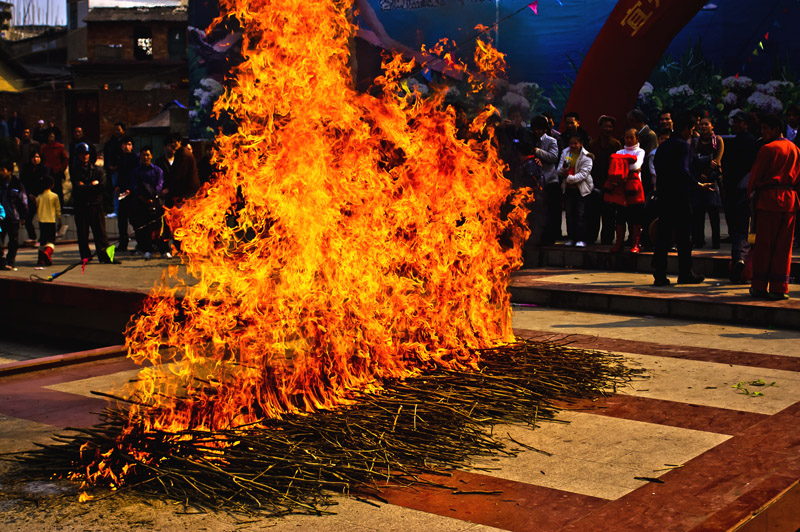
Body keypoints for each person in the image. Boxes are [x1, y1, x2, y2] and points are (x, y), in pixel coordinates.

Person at [652, 113, 713, 286]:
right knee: (684, 237)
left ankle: (659, 273)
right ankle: (685, 273)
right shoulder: (682, 146)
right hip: (679, 196)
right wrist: (698, 185)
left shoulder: (663, 146)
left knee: (663, 236)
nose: (692, 132)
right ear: (686, 129)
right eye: (692, 129)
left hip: (664, 195)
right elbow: (683, 171)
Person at [747, 114, 800, 300]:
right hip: (790, 201)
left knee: (764, 246)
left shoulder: (767, 149)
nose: (763, 132)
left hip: (769, 200)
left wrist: (750, 195)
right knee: (784, 248)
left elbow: (754, 178)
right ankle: (780, 287)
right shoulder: (795, 149)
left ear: (776, 129)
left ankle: (759, 286)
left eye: (765, 129)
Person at [724, 111, 758, 283]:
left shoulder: (749, 142)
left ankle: (740, 260)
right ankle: (741, 261)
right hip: (736, 190)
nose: (735, 125)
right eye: (734, 122)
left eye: (739, 122)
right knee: (741, 229)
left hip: (742, 190)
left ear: (746, 124)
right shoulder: (742, 141)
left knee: (741, 230)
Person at [71, 143, 119, 264]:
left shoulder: (97, 169)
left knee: (101, 234)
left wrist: (86, 186)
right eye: (82, 154)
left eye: (86, 154)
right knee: (82, 234)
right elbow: (78, 188)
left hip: (96, 205)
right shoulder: (75, 170)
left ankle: (107, 256)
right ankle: (85, 257)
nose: (85, 157)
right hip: (81, 206)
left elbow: (102, 186)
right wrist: (92, 185)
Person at [604, 128, 646, 253]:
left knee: (636, 217)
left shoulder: (640, 151)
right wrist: (628, 165)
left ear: (637, 139)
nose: (628, 140)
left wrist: (621, 163)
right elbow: (614, 167)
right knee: (620, 217)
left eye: (631, 137)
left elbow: (636, 165)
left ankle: (635, 244)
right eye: (626, 137)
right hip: (620, 188)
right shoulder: (619, 150)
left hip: (634, 187)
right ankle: (619, 243)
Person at [586, 115, 622, 244]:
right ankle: (591, 238)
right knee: (593, 214)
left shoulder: (616, 144)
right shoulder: (592, 144)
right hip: (595, 183)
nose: (608, 129)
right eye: (605, 126)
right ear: (600, 127)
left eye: (610, 126)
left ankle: (607, 240)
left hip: (611, 185)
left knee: (609, 215)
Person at [690, 117, 724, 248]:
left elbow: (717, 161)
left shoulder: (717, 140)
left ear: (712, 126)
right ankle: (698, 240)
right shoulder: (696, 141)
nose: (703, 127)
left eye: (706, 124)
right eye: (701, 124)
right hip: (698, 179)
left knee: (713, 212)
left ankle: (716, 242)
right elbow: (693, 159)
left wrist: (707, 171)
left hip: (712, 178)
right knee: (698, 212)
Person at [131, 146, 170, 259]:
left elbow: (159, 185)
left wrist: (153, 197)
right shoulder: (136, 171)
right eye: (143, 155)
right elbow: (135, 187)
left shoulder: (158, 170)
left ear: (151, 156)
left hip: (156, 202)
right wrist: (145, 199)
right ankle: (147, 249)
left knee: (161, 228)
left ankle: (164, 250)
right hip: (142, 202)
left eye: (148, 155)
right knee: (145, 228)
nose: (145, 157)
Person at [558, 134, 593, 247]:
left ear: (581, 144)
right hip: (568, 190)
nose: (573, 146)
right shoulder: (566, 153)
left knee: (580, 215)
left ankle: (581, 239)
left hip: (581, 190)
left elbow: (583, 175)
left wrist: (569, 178)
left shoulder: (587, 157)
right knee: (569, 215)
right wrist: (564, 168)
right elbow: (559, 170)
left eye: (575, 143)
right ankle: (571, 238)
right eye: (571, 143)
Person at [529, 115, 560, 247]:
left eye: (539, 129)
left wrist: (538, 152)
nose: (537, 131)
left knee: (551, 211)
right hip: (536, 181)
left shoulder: (551, 141)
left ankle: (550, 238)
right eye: (535, 129)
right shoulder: (530, 139)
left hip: (550, 180)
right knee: (538, 212)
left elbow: (553, 157)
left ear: (544, 129)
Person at [0, 162, 28, 271]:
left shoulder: (17, 185)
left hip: (13, 218)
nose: (1, 172)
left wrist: (24, 216)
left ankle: (10, 261)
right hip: (1, 218)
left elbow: (23, 200)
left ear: (10, 171)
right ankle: (1, 262)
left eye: (3, 170)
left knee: (13, 241)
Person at [20, 151, 51, 243]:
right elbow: (23, 183)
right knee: (28, 218)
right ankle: (32, 236)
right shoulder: (26, 169)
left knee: (43, 219)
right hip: (29, 196)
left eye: (38, 157)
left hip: (42, 197)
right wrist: (29, 194)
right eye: (33, 157)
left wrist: (39, 195)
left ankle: (43, 239)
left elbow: (46, 183)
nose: (35, 159)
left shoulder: (45, 169)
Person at [115, 136, 139, 253]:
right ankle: (123, 243)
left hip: (133, 193)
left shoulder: (136, 158)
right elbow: (120, 174)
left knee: (134, 219)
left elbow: (135, 176)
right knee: (122, 220)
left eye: (129, 144)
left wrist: (131, 189)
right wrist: (118, 186)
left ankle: (140, 242)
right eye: (125, 144)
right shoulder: (120, 158)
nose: (126, 147)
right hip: (122, 193)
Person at [36, 175, 60, 266]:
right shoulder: (54, 196)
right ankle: (47, 252)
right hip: (51, 220)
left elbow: (37, 207)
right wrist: (60, 220)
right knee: (51, 240)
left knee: (43, 239)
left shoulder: (39, 197)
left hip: (41, 221)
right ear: (52, 185)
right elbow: (58, 210)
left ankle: (40, 259)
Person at [103, 122, 126, 215]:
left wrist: (118, 166)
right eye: (115, 130)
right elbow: (107, 156)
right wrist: (109, 166)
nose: (116, 132)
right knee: (114, 190)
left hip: (123, 170)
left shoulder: (126, 142)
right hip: (112, 171)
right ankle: (115, 209)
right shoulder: (110, 143)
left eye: (118, 130)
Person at [40, 132, 69, 206]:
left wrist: (62, 169)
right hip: (47, 172)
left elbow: (65, 158)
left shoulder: (59, 147)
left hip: (57, 171)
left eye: (52, 137)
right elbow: (41, 158)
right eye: (49, 137)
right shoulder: (44, 148)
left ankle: (60, 206)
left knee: (58, 189)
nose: (51, 138)